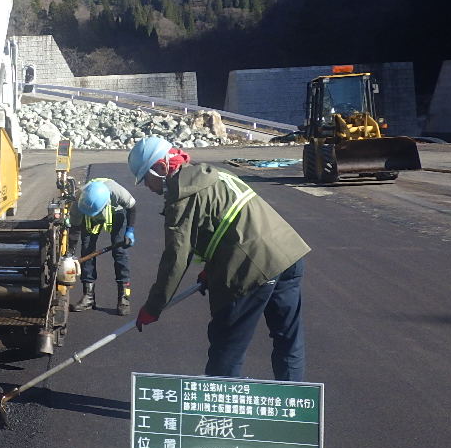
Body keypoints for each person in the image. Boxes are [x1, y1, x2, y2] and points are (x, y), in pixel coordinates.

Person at [127, 136, 309, 382]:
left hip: (251, 266)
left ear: (161, 168)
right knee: (288, 339)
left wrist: (153, 307)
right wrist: (212, 270)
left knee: (227, 347)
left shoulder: (181, 196)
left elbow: (176, 259)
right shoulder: (214, 175)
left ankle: (220, 414)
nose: (147, 186)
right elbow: (227, 225)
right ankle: (294, 409)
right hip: (287, 254)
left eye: (145, 179)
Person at [71, 177, 137, 315]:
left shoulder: (117, 192)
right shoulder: (79, 200)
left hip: (115, 211)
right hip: (88, 216)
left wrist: (129, 231)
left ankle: (124, 297)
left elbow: (132, 208)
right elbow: (75, 228)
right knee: (87, 250)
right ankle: (88, 297)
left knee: (119, 252)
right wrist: (70, 253)